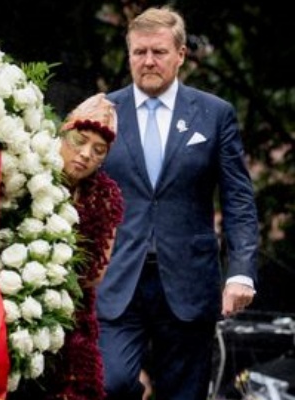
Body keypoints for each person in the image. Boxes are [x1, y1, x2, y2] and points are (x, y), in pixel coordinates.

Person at [97, 6, 259, 400]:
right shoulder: (101, 111)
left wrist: (241, 272)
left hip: (189, 282)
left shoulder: (214, 114)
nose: (148, 61)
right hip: (116, 278)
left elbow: (238, 199)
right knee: (110, 382)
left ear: (181, 55)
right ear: (129, 53)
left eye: (159, 52)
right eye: (139, 52)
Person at [18, 93, 124, 400]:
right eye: (81, 140)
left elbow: (96, 272)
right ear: (63, 132)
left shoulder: (104, 196)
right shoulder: (29, 172)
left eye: (98, 150)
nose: (86, 154)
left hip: (70, 310)